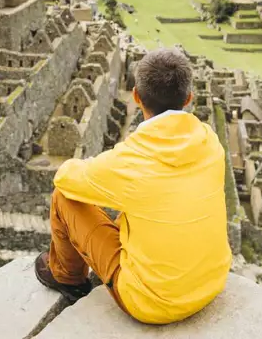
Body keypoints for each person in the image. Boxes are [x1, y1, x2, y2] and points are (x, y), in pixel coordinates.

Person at [35, 48, 231, 325]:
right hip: (212, 282)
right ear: (188, 98)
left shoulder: (132, 160)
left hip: (151, 302)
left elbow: (65, 179)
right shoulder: (209, 142)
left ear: (136, 96)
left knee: (64, 198)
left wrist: (103, 162)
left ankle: (67, 278)